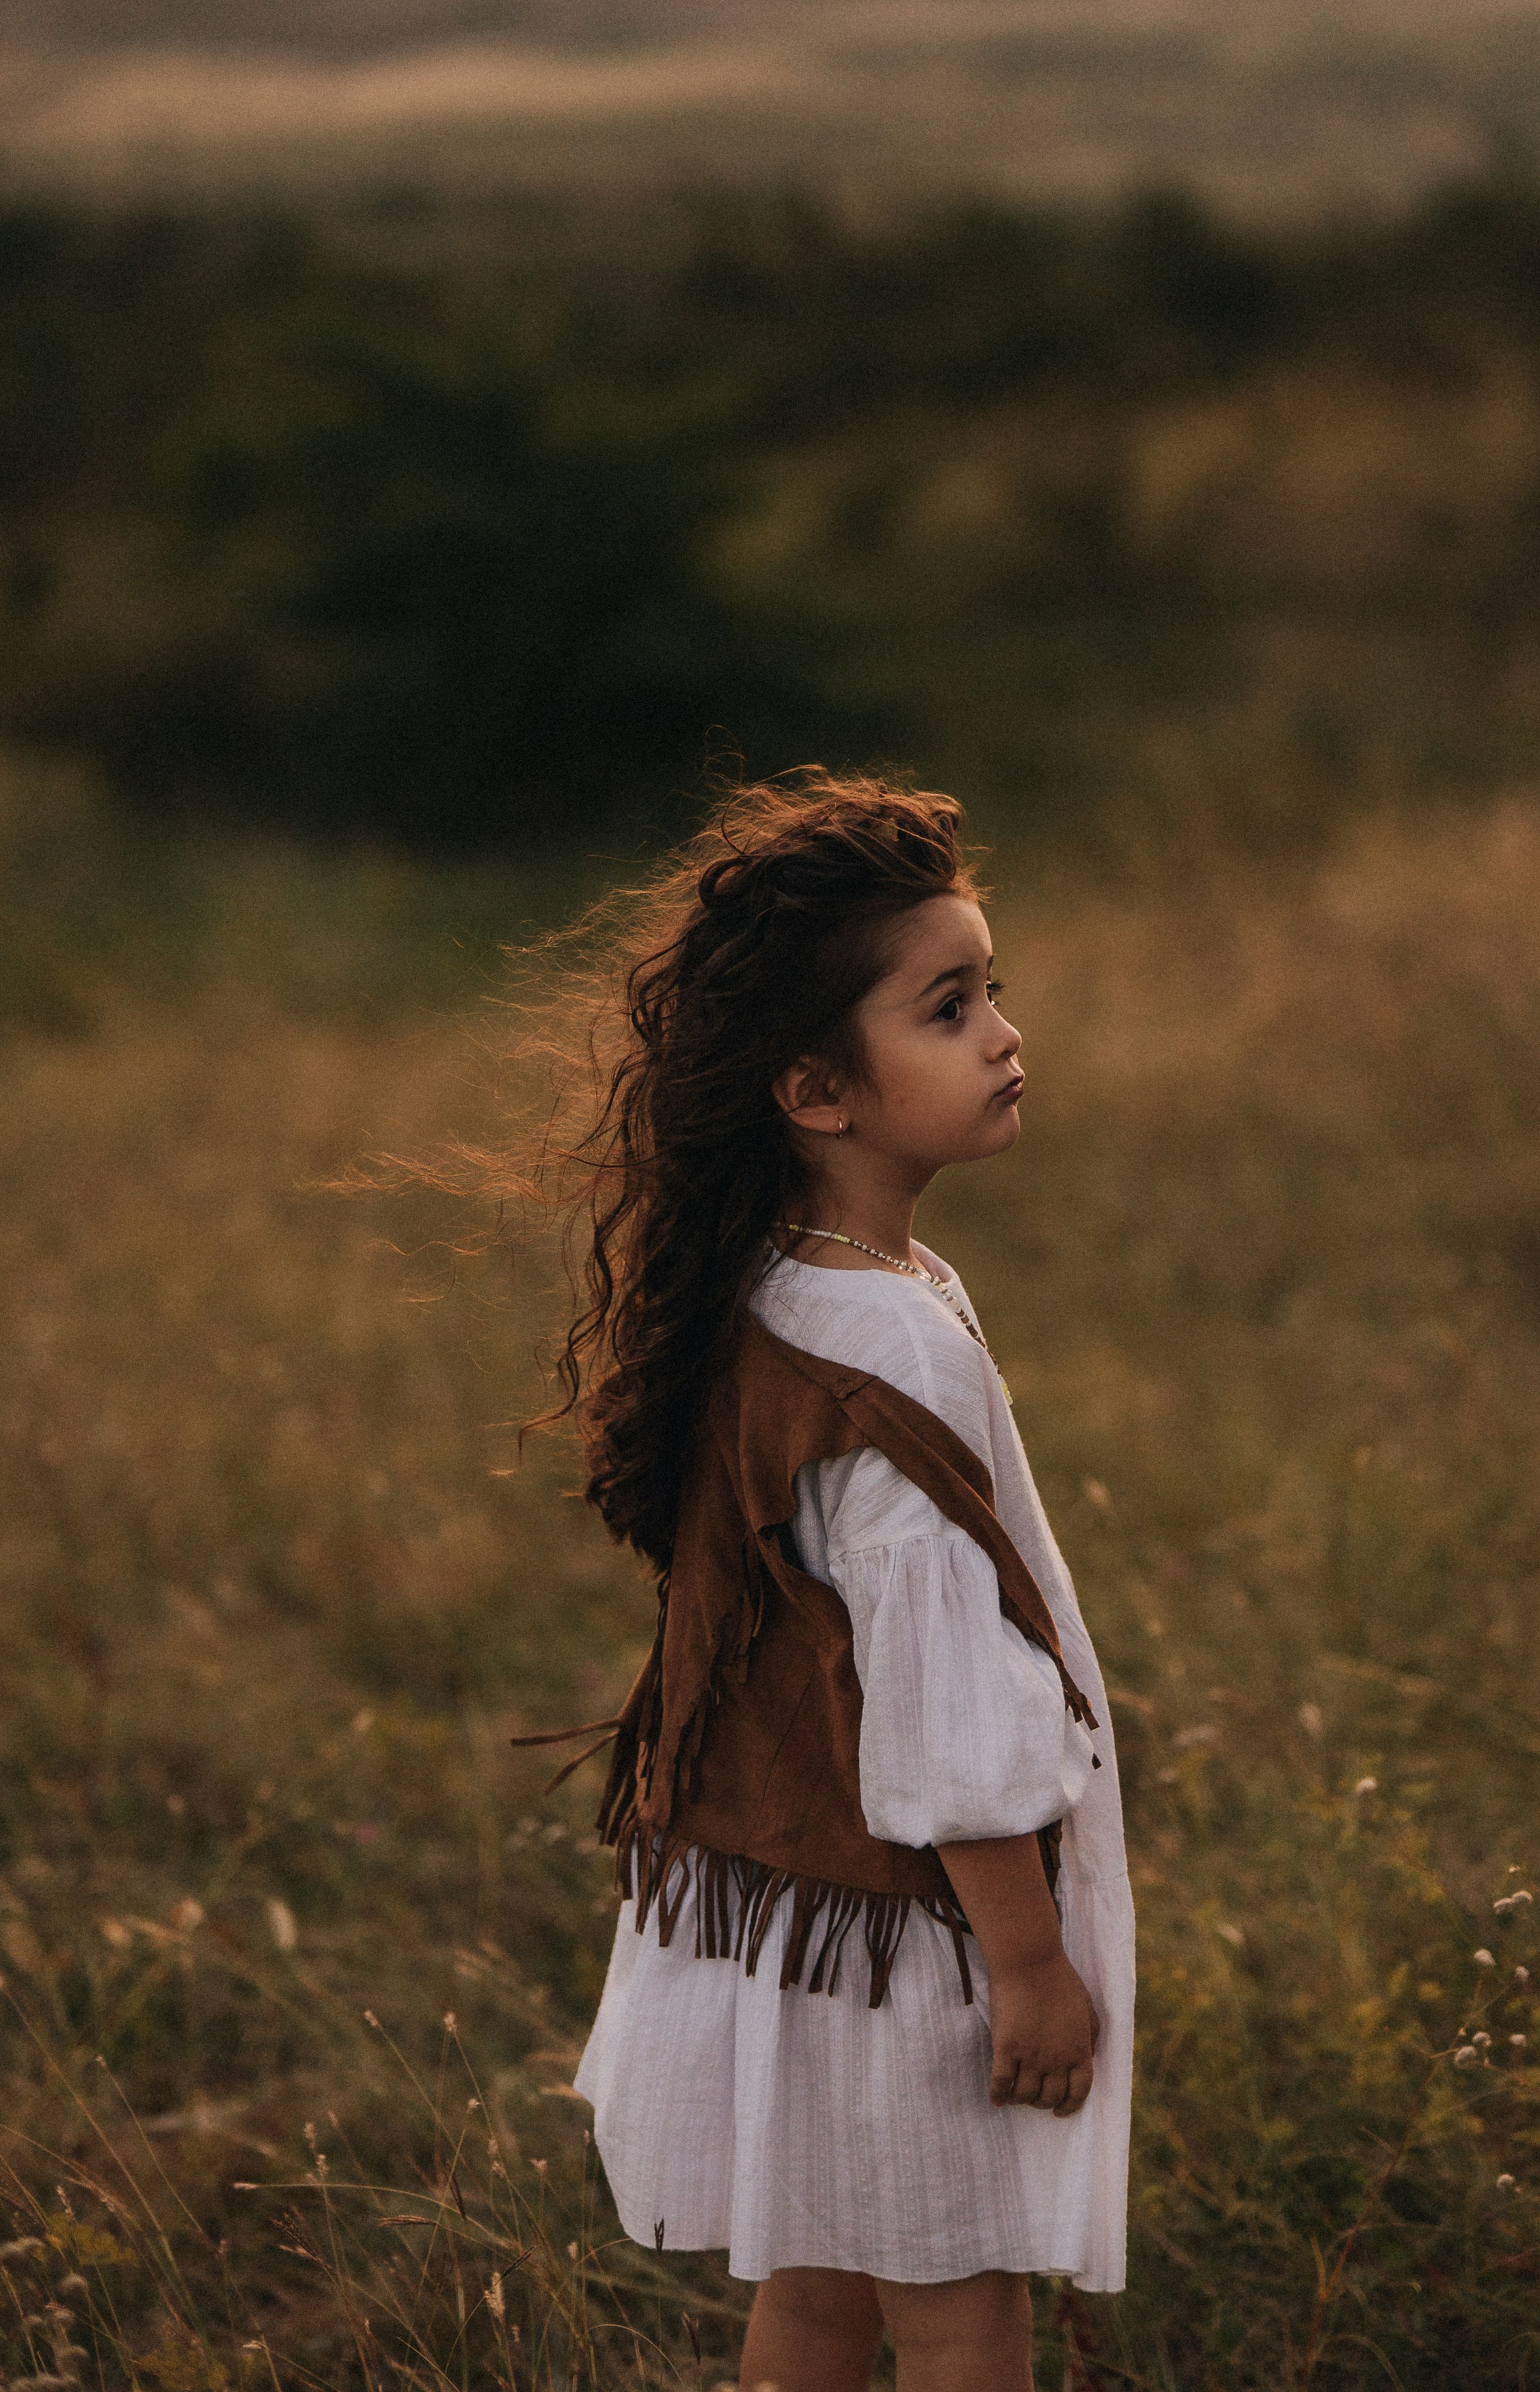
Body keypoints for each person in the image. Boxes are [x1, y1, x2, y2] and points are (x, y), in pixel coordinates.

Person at [520, 772, 1134, 2392]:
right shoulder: (890, 1347)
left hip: (797, 1913)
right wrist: (1024, 1963)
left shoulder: (796, 1287)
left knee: (819, 2283)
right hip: (914, 1929)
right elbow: (941, 1702)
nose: (1000, 1031)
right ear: (816, 1088)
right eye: (947, 1007)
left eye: (991, 988)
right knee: (954, 2301)